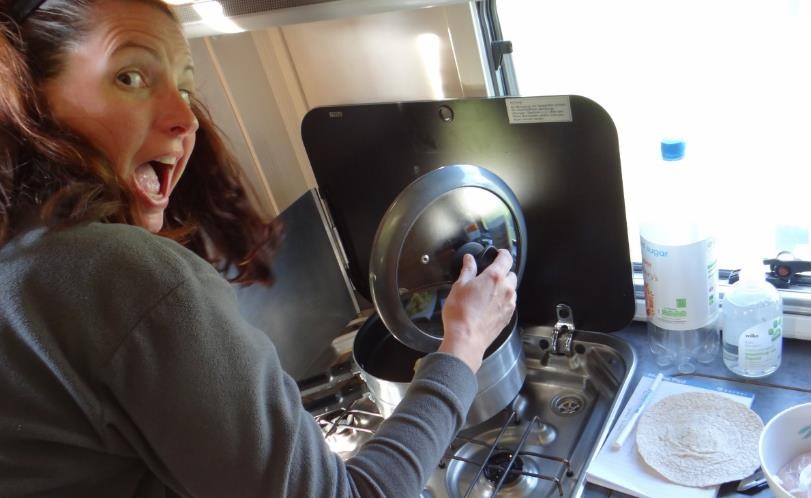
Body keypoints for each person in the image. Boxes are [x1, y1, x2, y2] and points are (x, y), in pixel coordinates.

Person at [0, 0, 518, 497]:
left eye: (185, 86)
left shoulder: (24, 259)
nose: (187, 118)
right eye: (130, 77)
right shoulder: (124, 275)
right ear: (27, 96)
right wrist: (463, 346)